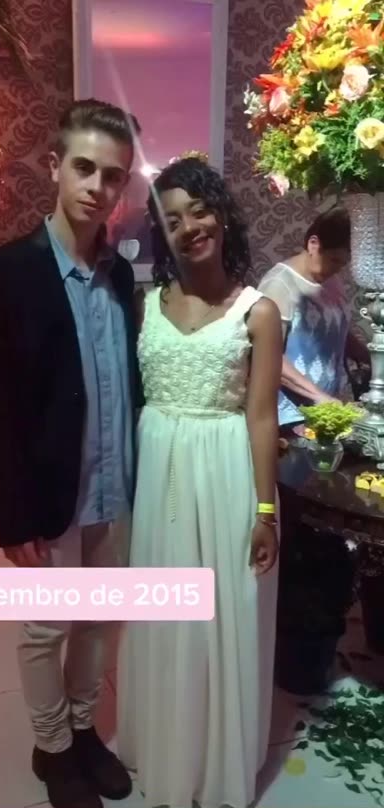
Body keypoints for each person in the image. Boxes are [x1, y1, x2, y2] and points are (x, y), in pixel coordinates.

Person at [0, 98, 142, 808]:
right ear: (55, 166)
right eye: (85, 168)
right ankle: (53, 747)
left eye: (113, 175)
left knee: (98, 619)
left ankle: (82, 729)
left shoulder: (121, 277)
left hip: (114, 487)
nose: (98, 187)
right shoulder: (2, 274)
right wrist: (10, 515)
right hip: (48, 493)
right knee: (45, 628)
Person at [117, 156, 282, 808]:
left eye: (200, 210)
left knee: (221, 618)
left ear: (222, 215)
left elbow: (262, 417)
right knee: (165, 618)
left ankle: (216, 761)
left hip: (226, 477)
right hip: (160, 480)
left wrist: (265, 510)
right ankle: (167, 747)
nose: (190, 227)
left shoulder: (258, 312)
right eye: (173, 220)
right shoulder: (144, 305)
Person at [258, 206, 369, 430]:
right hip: (290, 415)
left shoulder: (330, 279)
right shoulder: (279, 285)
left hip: (325, 410)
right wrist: (318, 396)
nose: (337, 269)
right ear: (313, 244)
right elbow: (268, 357)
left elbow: (334, 330)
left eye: (343, 263)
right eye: (334, 260)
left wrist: (369, 358)